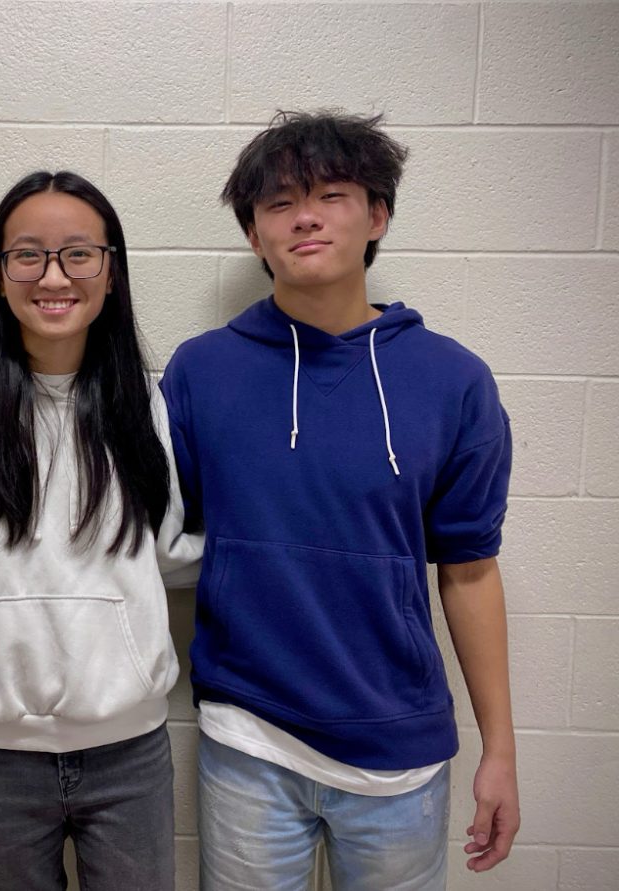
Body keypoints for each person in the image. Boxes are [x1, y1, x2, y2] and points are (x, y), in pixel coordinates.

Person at [159, 111, 520, 889]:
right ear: (254, 235)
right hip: (248, 736)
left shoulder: (453, 381)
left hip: (400, 755)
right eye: (280, 203)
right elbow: (161, 537)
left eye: (331, 194)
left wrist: (501, 749)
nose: (307, 217)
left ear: (377, 214)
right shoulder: (199, 372)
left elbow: (468, 571)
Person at [0, 170, 200, 891]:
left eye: (78, 254)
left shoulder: (142, 395)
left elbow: (164, 550)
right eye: (27, 255)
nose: (54, 275)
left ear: (111, 271)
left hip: (128, 747)